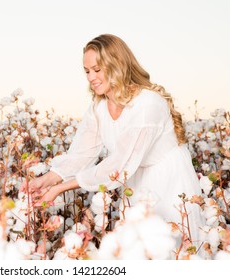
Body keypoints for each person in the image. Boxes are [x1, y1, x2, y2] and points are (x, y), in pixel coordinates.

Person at [21, 34, 204, 248]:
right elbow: (83, 152)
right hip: (136, 181)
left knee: (175, 249)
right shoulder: (99, 106)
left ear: (117, 65)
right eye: (87, 71)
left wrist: (61, 188)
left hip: (170, 183)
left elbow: (119, 165)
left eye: (97, 70)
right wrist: (50, 178)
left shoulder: (148, 104)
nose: (91, 77)